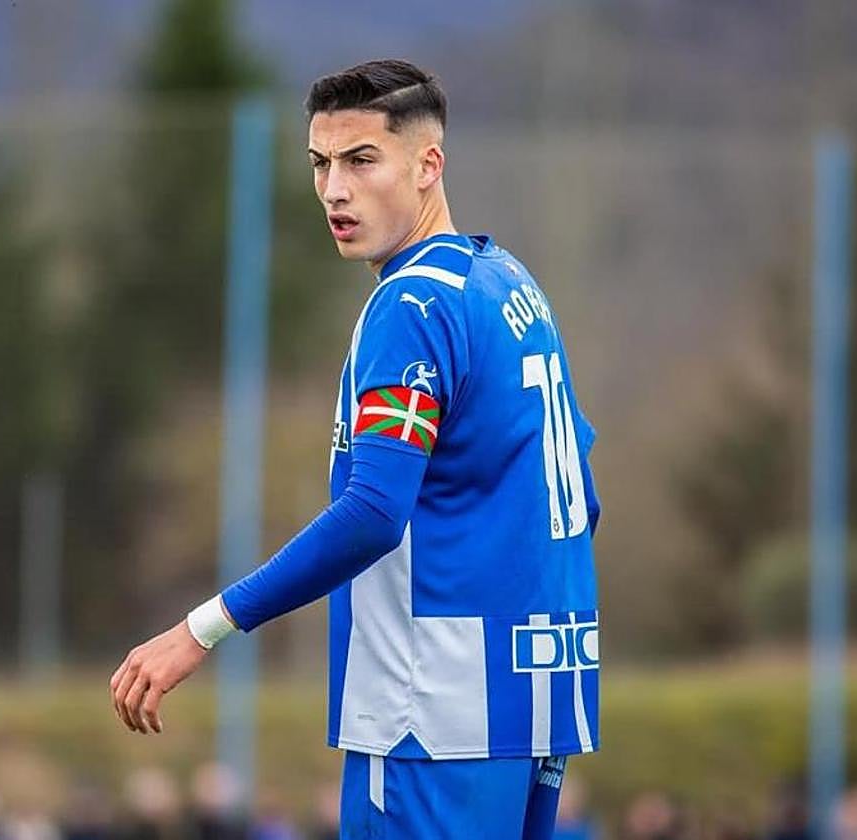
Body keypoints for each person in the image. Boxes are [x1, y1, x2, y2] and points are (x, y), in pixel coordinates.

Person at [110, 58, 602, 838]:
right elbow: (581, 498)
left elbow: (374, 511)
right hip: (536, 702)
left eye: (362, 160)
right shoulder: (509, 284)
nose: (334, 189)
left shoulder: (411, 305)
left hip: (429, 716)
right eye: (321, 164)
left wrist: (202, 628)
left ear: (427, 164)